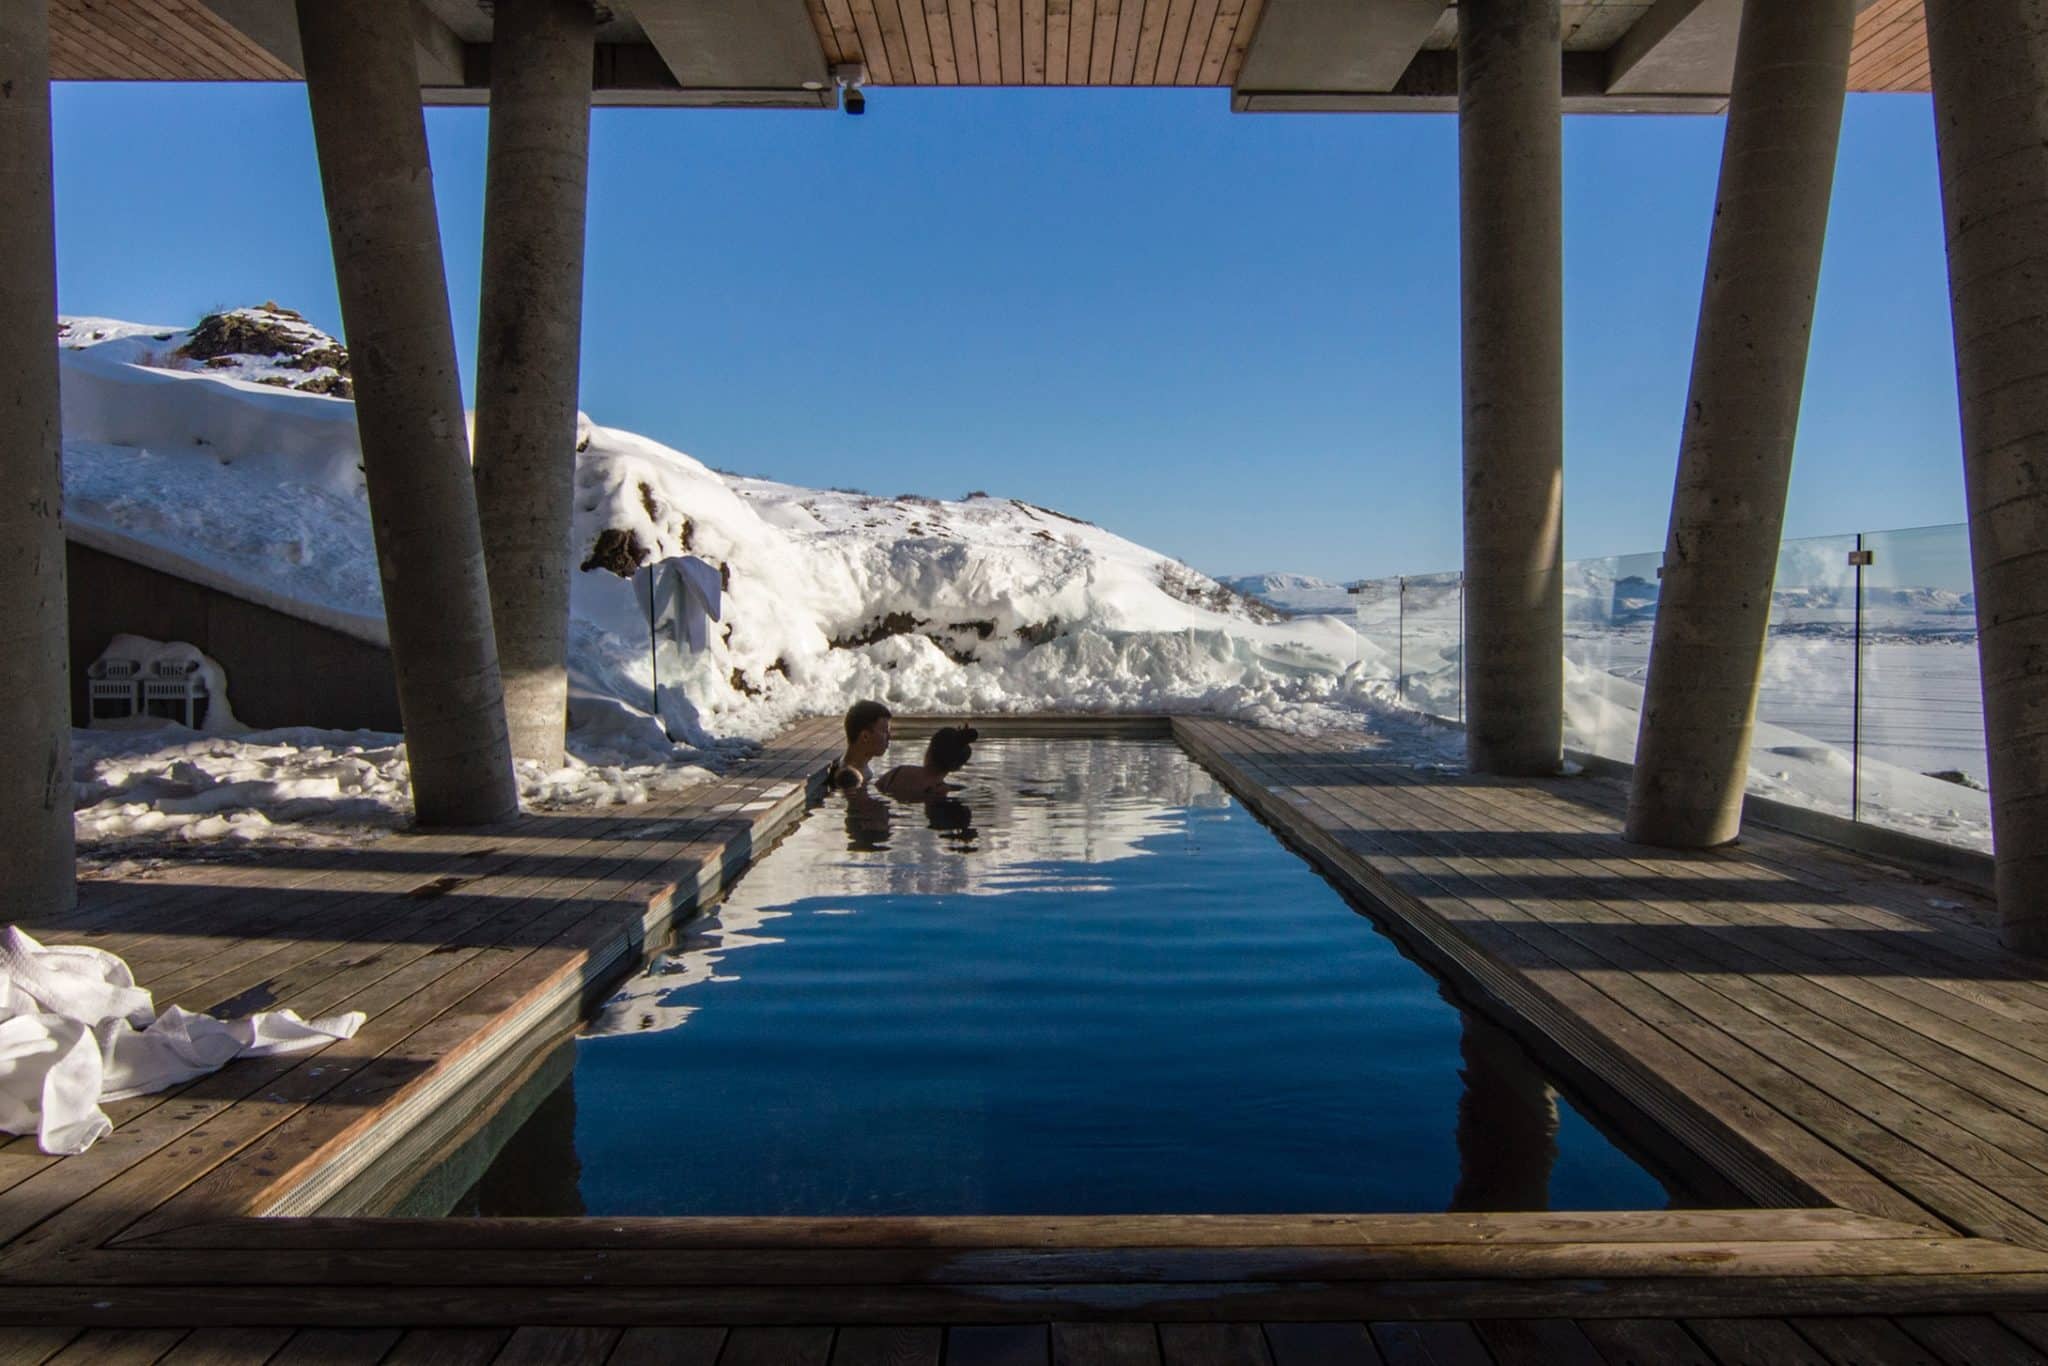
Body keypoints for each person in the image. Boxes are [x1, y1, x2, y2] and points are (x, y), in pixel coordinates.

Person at [876, 724, 978, 802]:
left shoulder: (899, 771)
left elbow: (877, 786)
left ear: (929, 749)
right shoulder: (940, 790)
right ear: (956, 768)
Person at [828, 700, 892, 791]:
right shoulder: (849, 777)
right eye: (885, 731)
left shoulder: (863, 769)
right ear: (865, 736)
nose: (889, 737)